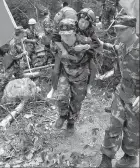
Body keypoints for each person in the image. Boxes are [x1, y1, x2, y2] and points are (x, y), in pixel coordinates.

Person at [97, 15, 139, 168]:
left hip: (136, 98)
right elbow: (113, 49)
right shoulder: (122, 46)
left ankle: (130, 157)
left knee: (132, 130)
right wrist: (100, 43)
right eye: (116, 30)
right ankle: (106, 158)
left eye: (121, 30)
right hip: (121, 92)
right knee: (113, 125)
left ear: (132, 29)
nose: (118, 34)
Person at [51, 18, 98, 133]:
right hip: (65, 74)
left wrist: (89, 87)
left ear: (75, 32)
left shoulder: (85, 41)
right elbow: (56, 67)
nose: (66, 37)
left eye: (69, 34)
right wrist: (53, 87)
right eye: (63, 35)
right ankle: (62, 115)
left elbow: (93, 67)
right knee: (61, 96)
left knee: (77, 101)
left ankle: (71, 122)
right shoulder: (58, 44)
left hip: (81, 76)